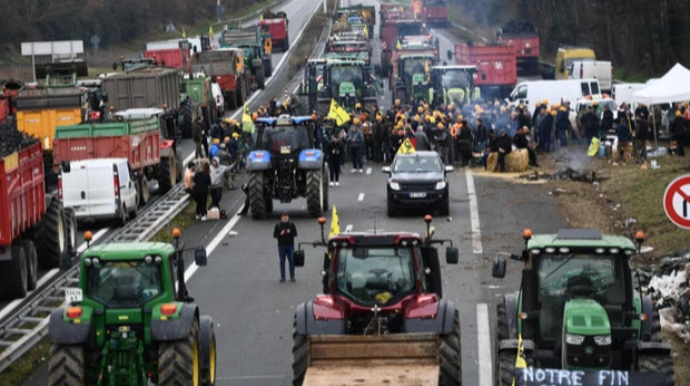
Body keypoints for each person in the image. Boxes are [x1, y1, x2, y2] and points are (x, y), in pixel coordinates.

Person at [273, 213, 298, 282]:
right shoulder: (278, 225)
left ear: (288, 218)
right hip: (281, 246)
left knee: (292, 261)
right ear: (281, 218)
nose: (285, 219)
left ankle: (292, 276)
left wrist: (290, 232)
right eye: (284, 218)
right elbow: (274, 235)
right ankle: (283, 277)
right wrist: (280, 234)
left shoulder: (291, 225)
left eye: (286, 218)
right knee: (282, 262)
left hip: (290, 246)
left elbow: (295, 234)